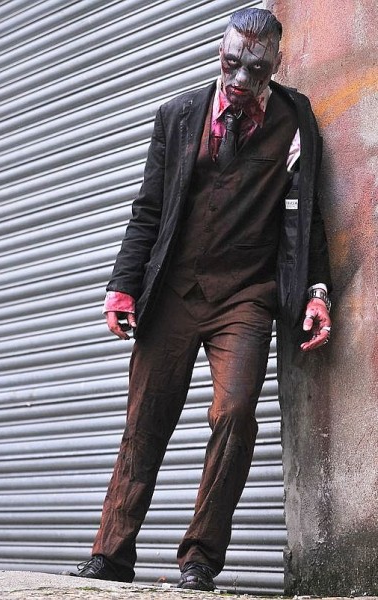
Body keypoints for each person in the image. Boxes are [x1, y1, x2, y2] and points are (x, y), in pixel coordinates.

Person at [72, 7, 332, 591]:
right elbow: (148, 209)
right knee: (146, 419)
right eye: (231, 63)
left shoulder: (295, 120)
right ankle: (111, 555)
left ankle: (199, 561)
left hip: (246, 295)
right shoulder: (180, 115)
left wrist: (317, 291)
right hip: (173, 290)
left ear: (277, 64)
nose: (241, 80)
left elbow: (306, 215)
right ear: (220, 52)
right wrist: (123, 283)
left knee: (236, 414)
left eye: (256, 68)